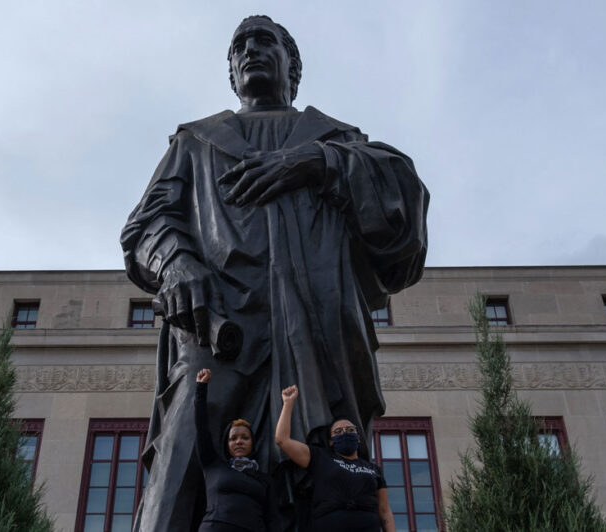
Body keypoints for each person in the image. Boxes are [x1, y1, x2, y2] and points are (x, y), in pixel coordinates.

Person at [121, 14, 428, 531]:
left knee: (327, 467)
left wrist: (316, 161)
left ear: (293, 63)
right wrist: (176, 264)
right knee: (185, 454)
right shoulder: (197, 143)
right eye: (239, 46)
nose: (249, 51)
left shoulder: (337, 138)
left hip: (317, 330)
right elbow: (146, 225)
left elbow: (404, 210)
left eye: (264, 42)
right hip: (218, 324)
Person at [275, 384, 395, 532]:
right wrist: (288, 403)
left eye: (350, 430)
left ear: (358, 437)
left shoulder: (373, 469)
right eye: (338, 431)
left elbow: (384, 510)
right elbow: (282, 440)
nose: (345, 433)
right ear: (331, 441)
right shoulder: (320, 457)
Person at [194, 368, 271, 531]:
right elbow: (201, 428)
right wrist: (201, 388)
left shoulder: (262, 478)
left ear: (252, 443)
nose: (239, 442)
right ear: (226, 444)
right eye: (233, 438)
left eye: (245, 438)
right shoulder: (213, 465)